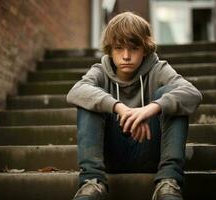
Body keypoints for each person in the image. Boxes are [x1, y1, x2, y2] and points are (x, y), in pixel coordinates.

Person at [66, 11, 202, 200]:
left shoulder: (158, 69)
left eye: (133, 48)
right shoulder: (100, 72)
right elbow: (75, 91)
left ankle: (169, 182)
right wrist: (120, 108)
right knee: (89, 98)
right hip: (111, 156)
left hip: (150, 152)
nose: (126, 56)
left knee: (170, 96)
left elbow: (192, 94)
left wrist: (151, 108)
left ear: (145, 49)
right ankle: (92, 183)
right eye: (119, 48)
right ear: (110, 50)